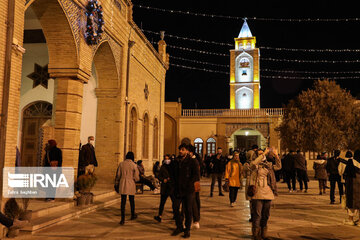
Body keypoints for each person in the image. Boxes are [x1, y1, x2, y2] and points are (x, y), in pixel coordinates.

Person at [249, 147, 281, 240]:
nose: (262, 156)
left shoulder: (268, 165)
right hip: (258, 192)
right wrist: (263, 154)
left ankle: (264, 233)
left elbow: (278, 167)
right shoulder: (254, 165)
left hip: (268, 191)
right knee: (257, 215)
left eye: (262, 154)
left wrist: (276, 155)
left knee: (266, 215)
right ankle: (256, 234)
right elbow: (254, 163)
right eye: (259, 154)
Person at [171, 143, 200, 238]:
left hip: (188, 190)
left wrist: (189, 183)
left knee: (188, 210)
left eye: (183, 149)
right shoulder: (176, 161)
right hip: (178, 190)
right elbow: (173, 174)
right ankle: (179, 226)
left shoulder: (192, 161)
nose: (180, 151)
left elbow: (196, 175)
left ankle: (187, 230)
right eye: (180, 149)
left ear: (187, 151)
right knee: (175, 208)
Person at [114, 152, 140, 225]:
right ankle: (132, 214)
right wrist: (135, 179)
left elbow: (118, 175)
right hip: (131, 183)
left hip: (123, 183)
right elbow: (137, 177)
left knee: (123, 202)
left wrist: (117, 182)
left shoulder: (121, 164)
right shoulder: (134, 165)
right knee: (132, 200)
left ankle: (122, 219)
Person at [154, 155, 175, 223]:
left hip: (171, 187)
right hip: (165, 187)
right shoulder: (163, 167)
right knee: (162, 202)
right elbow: (159, 176)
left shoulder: (173, 167)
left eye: (168, 159)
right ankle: (159, 216)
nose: (167, 160)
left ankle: (175, 214)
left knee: (174, 202)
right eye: (165, 159)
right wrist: (163, 180)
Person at [343, 149, 360, 226]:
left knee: (351, 202)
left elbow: (346, 173)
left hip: (352, 185)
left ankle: (351, 220)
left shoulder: (351, 162)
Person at [189, 145, 201, 229]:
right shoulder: (190, 160)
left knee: (193, 201)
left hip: (193, 184)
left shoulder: (194, 161)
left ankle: (195, 219)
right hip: (190, 184)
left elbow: (197, 174)